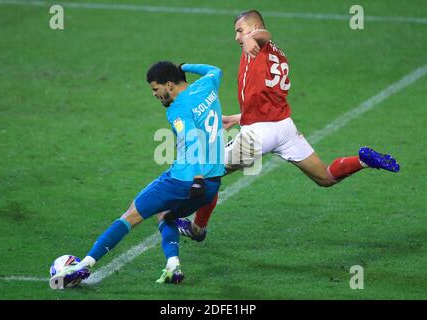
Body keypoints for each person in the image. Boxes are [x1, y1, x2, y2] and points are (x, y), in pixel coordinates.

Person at [177, 9, 400, 241]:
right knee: (325, 177)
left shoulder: (258, 42)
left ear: (253, 29)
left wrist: (253, 37)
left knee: (209, 172)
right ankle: (363, 160)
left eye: (240, 31)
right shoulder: (278, 54)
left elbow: (264, 33)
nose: (237, 37)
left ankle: (196, 228)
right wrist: (239, 117)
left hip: (259, 134)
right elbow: (266, 98)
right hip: (284, 128)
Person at [49, 61, 225, 289]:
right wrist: (186, 65)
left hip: (186, 179)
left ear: (169, 85)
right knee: (166, 214)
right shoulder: (207, 86)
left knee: (131, 214)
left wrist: (198, 177)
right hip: (212, 185)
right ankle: (173, 265)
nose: (154, 94)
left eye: (155, 89)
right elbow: (215, 70)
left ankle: (84, 265)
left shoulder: (178, 110)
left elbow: (191, 139)